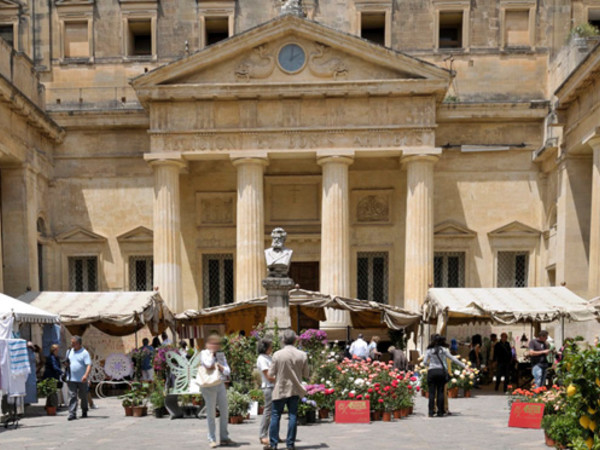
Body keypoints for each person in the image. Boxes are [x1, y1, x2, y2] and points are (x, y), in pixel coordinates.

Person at [267, 330, 309, 450]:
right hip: (295, 388)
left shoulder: (277, 354)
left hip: (280, 388)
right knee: (292, 415)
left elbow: (271, 373)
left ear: (283, 340)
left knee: (275, 415)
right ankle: (290, 444)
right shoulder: (302, 355)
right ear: (295, 340)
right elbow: (306, 374)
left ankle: (273, 444)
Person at [200, 333, 234, 449]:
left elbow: (227, 371)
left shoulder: (221, 355)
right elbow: (208, 364)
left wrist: (220, 366)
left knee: (224, 411)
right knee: (211, 413)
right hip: (208, 386)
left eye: (217, 344)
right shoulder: (204, 353)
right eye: (212, 343)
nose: (215, 346)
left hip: (220, 383)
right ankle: (212, 439)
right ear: (207, 344)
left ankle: (224, 437)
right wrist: (211, 354)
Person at [423, 335, 466, 418]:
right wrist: (463, 366)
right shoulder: (444, 350)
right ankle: (440, 412)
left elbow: (424, 362)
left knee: (431, 393)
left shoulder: (429, 350)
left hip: (432, 371)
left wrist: (429, 365)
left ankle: (431, 412)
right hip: (441, 372)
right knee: (441, 392)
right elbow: (453, 359)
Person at [66, 335, 92, 421]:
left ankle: (84, 410)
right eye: (71, 343)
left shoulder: (84, 353)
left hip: (82, 378)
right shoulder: (69, 351)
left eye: (73, 343)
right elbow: (67, 362)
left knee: (83, 396)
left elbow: (88, 365)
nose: (72, 344)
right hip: (71, 378)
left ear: (78, 343)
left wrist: (86, 375)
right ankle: (72, 413)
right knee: (72, 395)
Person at [257, 338, 276, 446]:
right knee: (268, 412)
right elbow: (268, 376)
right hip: (269, 387)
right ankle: (263, 435)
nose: (271, 348)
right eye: (270, 346)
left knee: (275, 412)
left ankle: (274, 434)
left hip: (274, 386)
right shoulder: (262, 359)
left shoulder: (269, 357)